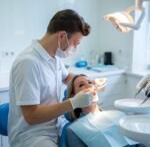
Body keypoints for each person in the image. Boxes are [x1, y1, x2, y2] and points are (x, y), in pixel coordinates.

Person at [8, 9, 95, 147]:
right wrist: (73, 102)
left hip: (54, 127)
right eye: (75, 43)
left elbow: (67, 77)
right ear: (62, 36)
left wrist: (85, 82)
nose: (75, 48)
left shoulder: (54, 57)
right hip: (31, 137)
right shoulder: (28, 63)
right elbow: (31, 116)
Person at [65, 74, 145, 147]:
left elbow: (138, 142)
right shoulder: (74, 130)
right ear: (73, 96)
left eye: (90, 82)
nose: (89, 85)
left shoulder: (118, 115)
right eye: (81, 85)